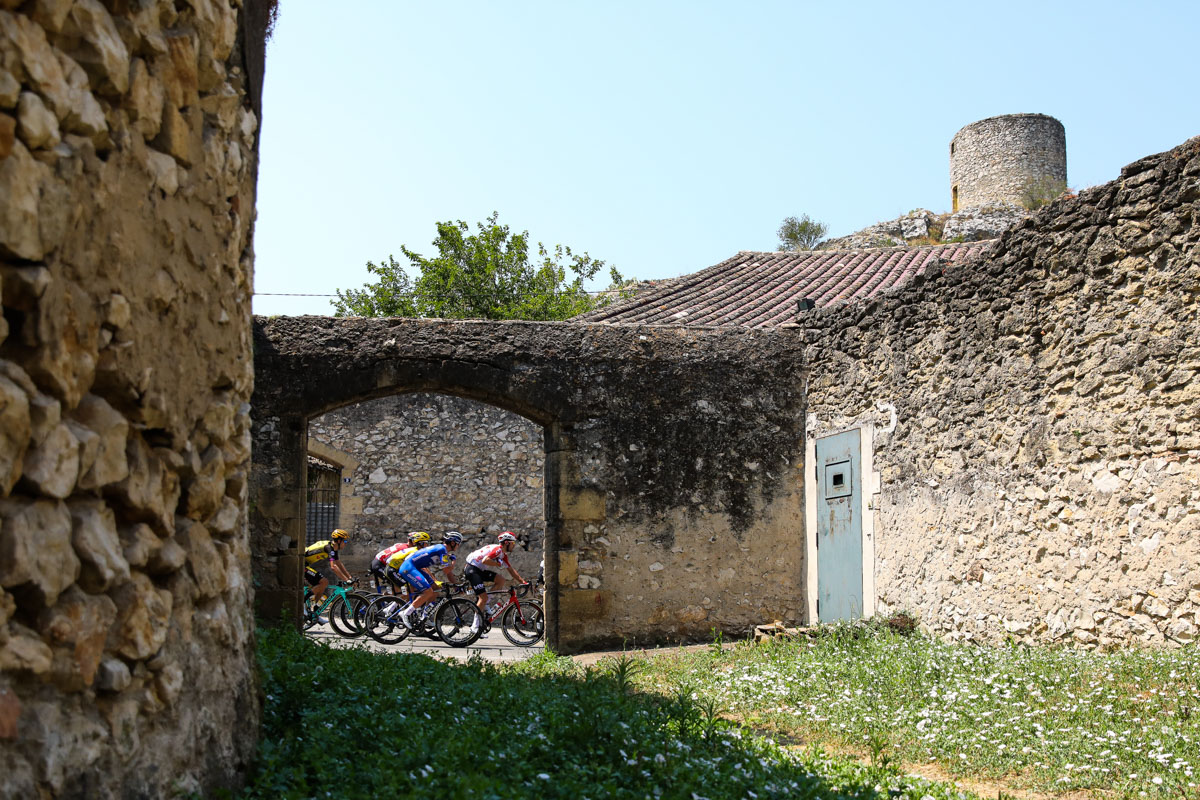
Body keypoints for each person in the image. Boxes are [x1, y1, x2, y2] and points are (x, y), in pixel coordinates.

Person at [386, 531, 461, 629]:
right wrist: (454, 561)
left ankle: (425, 616)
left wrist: (456, 584)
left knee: (435, 589)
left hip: (416, 568)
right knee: (427, 592)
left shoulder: (442, 550)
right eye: (458, 544)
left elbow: (448, 572)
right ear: (452, 543)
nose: (458, 546)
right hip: (409, 567)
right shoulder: (442, 549)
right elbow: (447, 570)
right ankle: (406, 613)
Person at [463, 531, 526, 621]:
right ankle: (475, 627)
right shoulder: (498, 549)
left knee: (501, 580)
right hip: (472, 569)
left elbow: (511, 571)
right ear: (506, 543)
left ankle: (486, 604)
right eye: (513, 543)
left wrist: (523, 582)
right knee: (483, 597)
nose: (514, 545)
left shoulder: (502, 555)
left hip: (479, 570)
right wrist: (497, 564)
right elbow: (485, 560)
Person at [304, 529, 353, 619]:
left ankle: (315, 613)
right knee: (324, 582)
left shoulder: (333, 549)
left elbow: (339, 563)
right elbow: (333, 567)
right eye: (345, 541)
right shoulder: (329, 548)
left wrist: (350, 577)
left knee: (323, 586)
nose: (346, 543)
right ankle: (302, 603)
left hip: (306, 564)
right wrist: (346, 580)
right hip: (302, 563)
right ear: (338, 541)